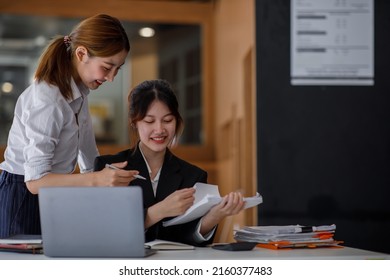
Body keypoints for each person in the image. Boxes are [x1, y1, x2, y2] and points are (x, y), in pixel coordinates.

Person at [0, 14, 139, 238]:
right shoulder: (49, 99)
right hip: (22, 195)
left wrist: (105, 174)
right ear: (81, 53)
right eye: (107, 67)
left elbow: (88, 155)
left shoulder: (79, 93)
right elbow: (35, 182)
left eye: (118, 69)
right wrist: (97, 179)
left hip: (53, 193)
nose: (112, 78)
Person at [94, 79, 246, 246]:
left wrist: (215, 215)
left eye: (167, 120)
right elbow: (104, 231)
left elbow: (190, 239)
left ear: (177, 121)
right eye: (149, 121)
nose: (159, 130)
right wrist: (158, 211)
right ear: (134, 122)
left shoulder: (193, 175)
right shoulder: (107, 168)